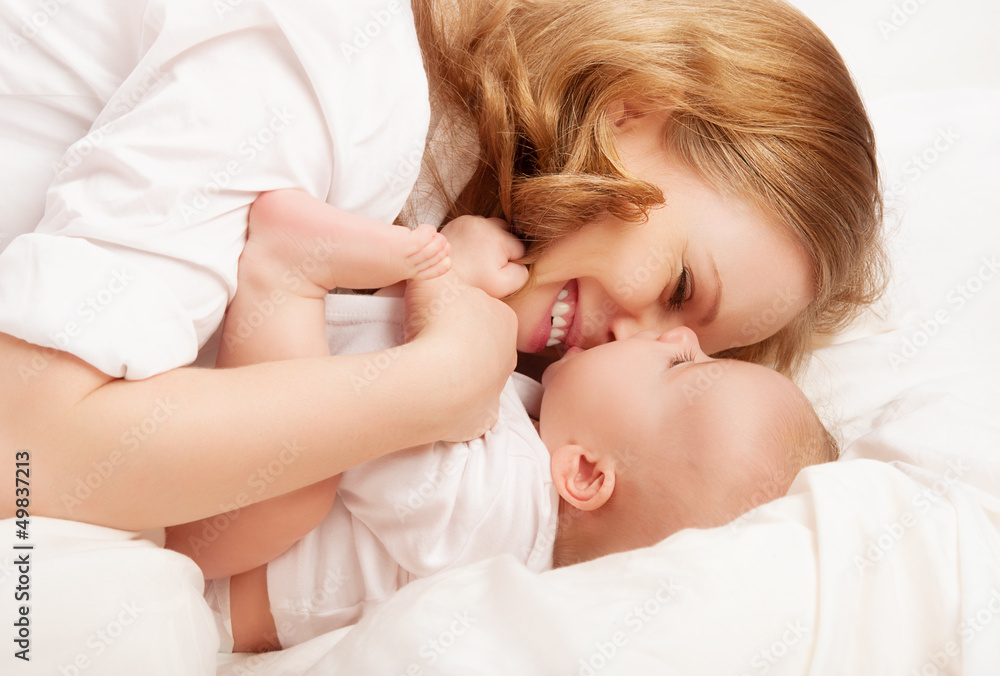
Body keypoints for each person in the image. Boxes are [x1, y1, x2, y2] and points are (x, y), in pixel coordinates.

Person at [0, 0, 884, 535]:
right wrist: (419, 390)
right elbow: (25, 456)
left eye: (687, 351)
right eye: (681, 288)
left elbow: (214, 528)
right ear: (634, 110)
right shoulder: (344, 75)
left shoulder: (444, 261)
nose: (633, 341)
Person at [173, 187, 836, 652]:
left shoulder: (506, 513)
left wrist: (446, 280)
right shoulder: (536, 447)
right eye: (685, 320)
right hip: (220, 499)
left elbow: (380, 429)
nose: (669, 340)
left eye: (681, 367)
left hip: (219, 572)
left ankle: (282, 274)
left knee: (297, 480)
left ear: (583, 473)